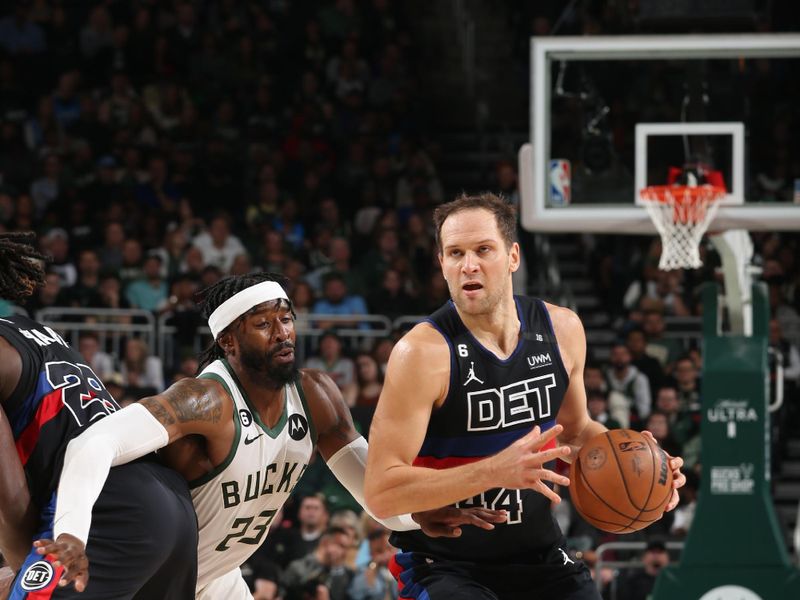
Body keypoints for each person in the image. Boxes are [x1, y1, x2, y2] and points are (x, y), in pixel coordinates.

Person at [40, 272, 507, 599]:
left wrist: (417, 516)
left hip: (218, 579)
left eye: (285, 318)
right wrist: (72, 535)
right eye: (263, 324)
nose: (282, 333)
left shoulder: (316, 394)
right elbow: (93, 442)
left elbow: (374, 494)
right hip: (148, 575)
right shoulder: (205, 400)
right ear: (229, 341)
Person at [364, 193, 686, 600]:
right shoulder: (422, 354)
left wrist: (646, 464)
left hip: (540, 554)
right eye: (455, 253)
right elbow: (381, 488)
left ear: (513, 256)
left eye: (483, 250)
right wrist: (492, 471)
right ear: (441, 263)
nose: (468, 265)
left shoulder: (563, 329)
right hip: (445, 563)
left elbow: (574, 431)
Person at [0, 231, 198, 599]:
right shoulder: (34, 331)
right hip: (171, 506)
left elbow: (12, 503)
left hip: (105, 506)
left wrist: (26, 577)